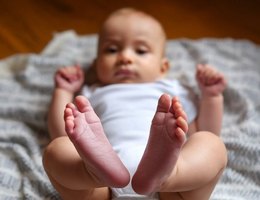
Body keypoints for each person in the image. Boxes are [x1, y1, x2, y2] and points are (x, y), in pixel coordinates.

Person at [43, 8, 228, 200]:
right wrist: (64, 91)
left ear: (162, 67)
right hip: (102, 189)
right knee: (57, 149)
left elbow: (204, 130)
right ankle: (92, 172)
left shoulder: (174, 90)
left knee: (211, 143)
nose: (125, 58)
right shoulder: (92, 92)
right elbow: (63, 131)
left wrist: (211, 97)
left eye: (140, 51)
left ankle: (169, 176)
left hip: (171, 191)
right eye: (112, 49)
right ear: (97, 64)